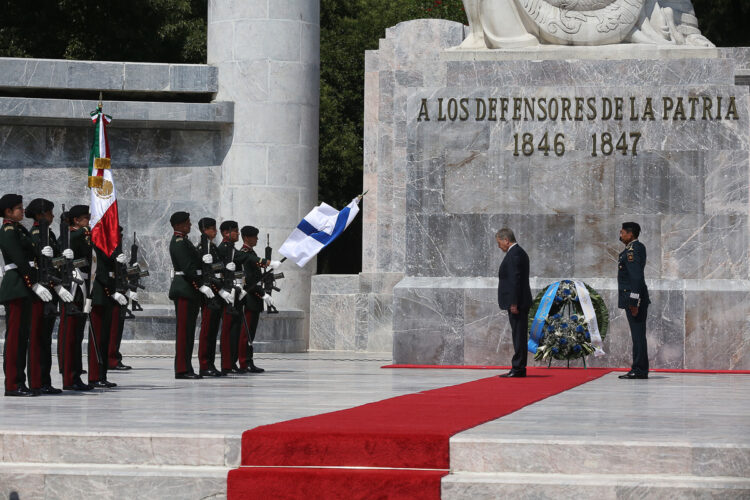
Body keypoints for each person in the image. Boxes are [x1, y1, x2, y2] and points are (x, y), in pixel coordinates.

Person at [26, 198, 73, 395]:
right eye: (49, 213)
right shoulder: (37, 234)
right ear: (39, 215)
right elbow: (39, 266)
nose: (52, 216)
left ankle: (45, 379)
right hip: (41, 293)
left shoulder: (49, 234)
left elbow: (53, 263)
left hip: (50, 291)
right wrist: (56, 286)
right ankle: (37, 381)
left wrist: (65, 257)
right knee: (38, 339)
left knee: (45, 339)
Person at [169, 211, 210, 379]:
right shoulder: (179, 243)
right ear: (178, 225)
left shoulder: (184, 241)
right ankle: (181, 369)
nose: (190, 225)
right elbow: (188, 268)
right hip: (185, 289)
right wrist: (200, 286)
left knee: (189, 331)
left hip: (189, 290)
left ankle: (186, 367)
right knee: (184, 332)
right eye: (187, 223)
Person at [58, 204, 93, 391]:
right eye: (86, 218)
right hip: (73, 286)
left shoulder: (82, 234)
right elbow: (60, 259)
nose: (89, 220)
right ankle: (70, 377)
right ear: (76, 221)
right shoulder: (74, 235)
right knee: (70, 335)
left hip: (83, 286)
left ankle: (75, 374)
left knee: (77, 334)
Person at [234, 226, 278, 373]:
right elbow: (249, 280)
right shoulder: (244, 254)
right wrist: (262, 294)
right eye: (254, 237)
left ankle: (249, 360)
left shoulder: (251, 252)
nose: (257, 239)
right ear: (247, 238)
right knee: (246, 332)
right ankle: (244, 361)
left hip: (255, 297)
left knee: (251, 332)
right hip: (250, 298)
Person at [88, 239, 126, 388]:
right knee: (97, 338)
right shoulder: (98, 243)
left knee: (104, 338)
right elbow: (99, 270)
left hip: (107, 293)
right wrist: (112, 292)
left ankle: (101, 374)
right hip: (99, 294)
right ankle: (95, 375)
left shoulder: (106, 244)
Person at [496, 228, 532, 378]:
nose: (499, 246)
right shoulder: (517, 252)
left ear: (506, 240)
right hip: (517, 302)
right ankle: (518, 367)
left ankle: (518, 368)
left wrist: (514, 302)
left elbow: (515, 280)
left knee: (519, 336)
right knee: (518, 335)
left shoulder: (515, 254)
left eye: (499, 243)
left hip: (518, 303)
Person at [617, 222, 650, 380]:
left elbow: (636, 277)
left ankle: (639, 369)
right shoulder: (632, 249)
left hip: (634, 300)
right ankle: (639, 368)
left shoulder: (633, 249)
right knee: (637, 335)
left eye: (622, 232)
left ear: (630, 234)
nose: (620, 234)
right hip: (632, 299)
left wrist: (633, 302)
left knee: (638, 335)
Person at [196, 217, 228, 377]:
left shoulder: (212, 247)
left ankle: (210, 363)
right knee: (207, 331)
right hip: (210, 295)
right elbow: (204, 273)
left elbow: (217, 267)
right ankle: (204, 364)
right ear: (205, 230)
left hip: (217, 292)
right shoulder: (202, 248)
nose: (215, 232)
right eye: (212, 229)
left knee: (213, 330)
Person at [217, 220, 243, 374]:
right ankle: (227, 364)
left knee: (234, 330)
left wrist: (240, 285)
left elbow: (239, 268)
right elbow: (217, 270)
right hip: (226, 295)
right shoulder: (222, 249)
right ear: (226, 233)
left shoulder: (232, 249)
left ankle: (232, 362)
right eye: (235, 231)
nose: (238, 233)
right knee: (228, 331)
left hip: (235, 293)